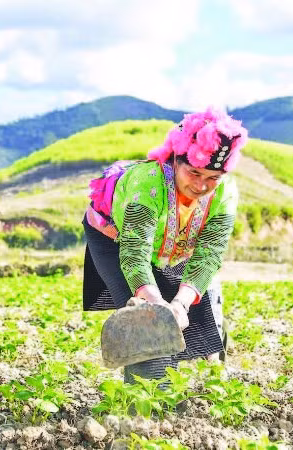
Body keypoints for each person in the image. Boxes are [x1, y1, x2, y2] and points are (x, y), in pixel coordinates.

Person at [82, 106, 247, 382]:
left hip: (176, 244)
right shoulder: (147, 186)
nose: (201, 185)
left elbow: (209, 255)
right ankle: (146, 406)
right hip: (116, 241)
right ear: (175, 161)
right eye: (194, 172)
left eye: (212, 178)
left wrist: (180, 305)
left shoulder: (225, 194)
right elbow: (135, 256)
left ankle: (196, 397)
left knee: (202, 317)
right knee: (148, 322)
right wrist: (159, 307)